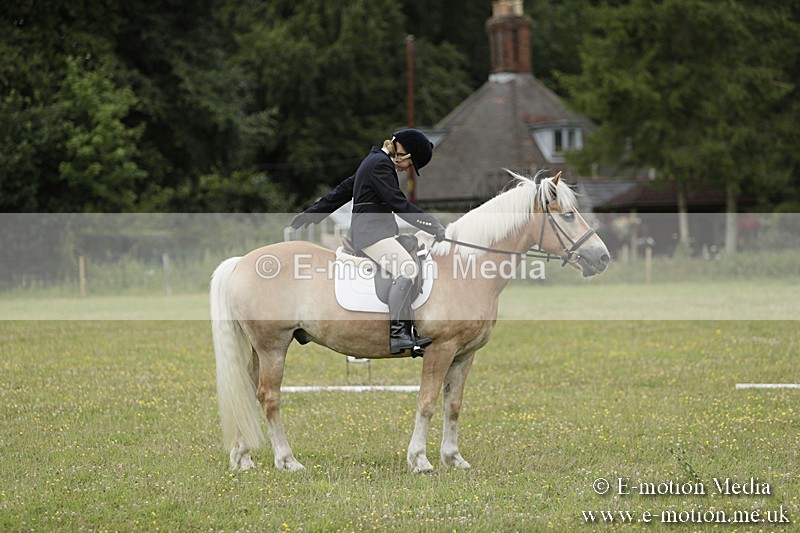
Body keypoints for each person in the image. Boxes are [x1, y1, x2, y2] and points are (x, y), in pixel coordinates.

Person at [291, 129, 446, 355]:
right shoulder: (380, 165)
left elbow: (342, 192)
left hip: (374, 232)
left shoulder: (373, 161)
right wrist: (432, 224)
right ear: (403, 153)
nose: (407, 170)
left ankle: (404, 331)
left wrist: (312, 214)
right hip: (372, 235)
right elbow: (398, 203)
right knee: (407, 268)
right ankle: (399, 334)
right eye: (410, 164)